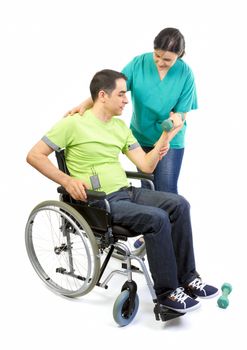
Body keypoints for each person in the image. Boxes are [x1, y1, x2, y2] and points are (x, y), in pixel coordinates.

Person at [27, 69, 218, 315]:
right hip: (98, 203)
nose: (127, 100)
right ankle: (167, 294)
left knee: (179, 204)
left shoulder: (119, 127)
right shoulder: (72, 124)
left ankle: (189, 278)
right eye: (121, 94)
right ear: (103, 95)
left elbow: (146, 165)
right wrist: (67, 179)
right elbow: (34, 155)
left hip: (126, 193)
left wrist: (165, 137)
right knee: (157, 218)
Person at [66, 27, 197, 194]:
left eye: (167, 59)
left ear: (179, 55)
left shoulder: (185, 74)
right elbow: (113, 88)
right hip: (141, 135)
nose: (160, 62)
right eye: (157, 55)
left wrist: (164, 140)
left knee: (167, 191)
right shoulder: (139, 64)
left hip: (170, 139)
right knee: (148, 188)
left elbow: (181, 114)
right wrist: (85, 104)